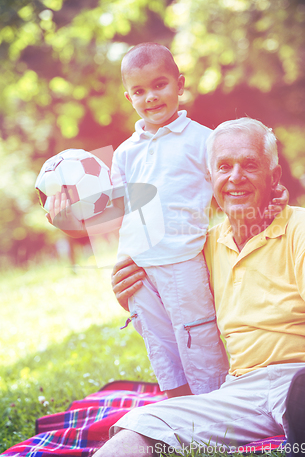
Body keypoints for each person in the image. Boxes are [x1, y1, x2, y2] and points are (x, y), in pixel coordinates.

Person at [47, 43, 287, 399]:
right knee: (159, 342)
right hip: (137, 267)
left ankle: (213, 404)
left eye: (160, 85)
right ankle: (176, 404)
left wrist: (270, 198)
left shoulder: (204, 140)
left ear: (179, 84)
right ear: (128, 96)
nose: (151, 97)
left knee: (197, 336)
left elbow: (229, 192)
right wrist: (67, 218)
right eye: (140, 91)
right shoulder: (125, 152)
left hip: (183, 261)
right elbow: (112, 213)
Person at [94, 118, 305, 457]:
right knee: (139, 426)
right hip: (239, 391)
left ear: (274, 177)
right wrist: (132, 299)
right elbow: (179, 313)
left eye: (250, 165)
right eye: (224, 167)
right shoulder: (201, 247)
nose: (236, 177)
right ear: (210, 178)